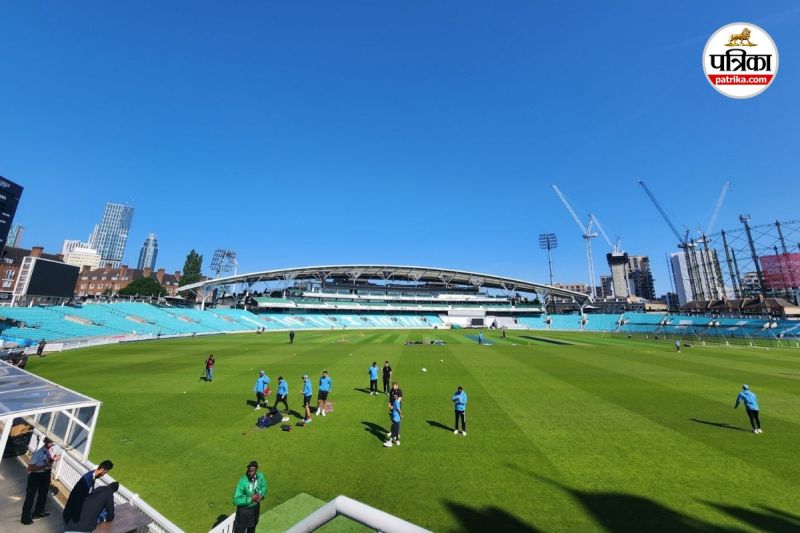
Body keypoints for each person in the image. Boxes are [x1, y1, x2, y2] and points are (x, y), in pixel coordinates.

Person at [21, 437, 61, 525]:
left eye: (51, 441)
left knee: (43, 494)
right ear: (44, 441)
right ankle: (25, 517)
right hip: (35, 475)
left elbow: (58, 455)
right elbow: (30, 468)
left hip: (46, 474)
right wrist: (44, 466)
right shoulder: (38, 454)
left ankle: (38, 512)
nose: (51, 443)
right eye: (48, 441)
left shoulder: (55, 448)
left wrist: (53, 460)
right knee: (30, 496)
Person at [63, 460, 114, 526]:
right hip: (72, 514)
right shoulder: (87, 479)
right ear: (102, 470)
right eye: (105, 472)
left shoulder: (93, 475)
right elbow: (79, 498)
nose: (104, 474)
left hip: (72, 512)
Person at [232, 461, 267, 533]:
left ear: (256, 470)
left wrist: (261, 495)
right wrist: (250, 499)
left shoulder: (260, 476)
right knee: (240, 530)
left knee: (252, 527)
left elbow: (263, 487)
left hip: (255, 508)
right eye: (249, 471)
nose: (250, 473)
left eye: (252, 471)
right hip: (244, 510)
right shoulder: (242, 482)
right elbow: (235, 500)